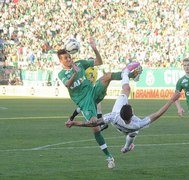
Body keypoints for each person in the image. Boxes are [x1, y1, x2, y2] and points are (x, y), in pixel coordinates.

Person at [57, 38, 141, 169]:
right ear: (60, 61)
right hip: (84, 103)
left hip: (93, 92)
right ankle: (109, 156)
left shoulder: (79, 63)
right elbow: (68, 84)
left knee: (107, 76)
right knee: (95, 127)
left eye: (69, 57)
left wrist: (95, 49)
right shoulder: (62, 73)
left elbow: (99, 62)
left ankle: (130, 75)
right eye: (65, 58)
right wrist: (75, 73)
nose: (68, 59)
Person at [65, 67, 181, 153]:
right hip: (129, 129)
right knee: (134, 132)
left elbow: (92, 123)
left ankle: (125, 73)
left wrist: (74, 122)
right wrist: (171, 100)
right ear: (132, 115)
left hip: (118, 124)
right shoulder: (137, 124)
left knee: (126, 88)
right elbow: (157, 114)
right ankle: (126, 147)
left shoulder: (114, 115)